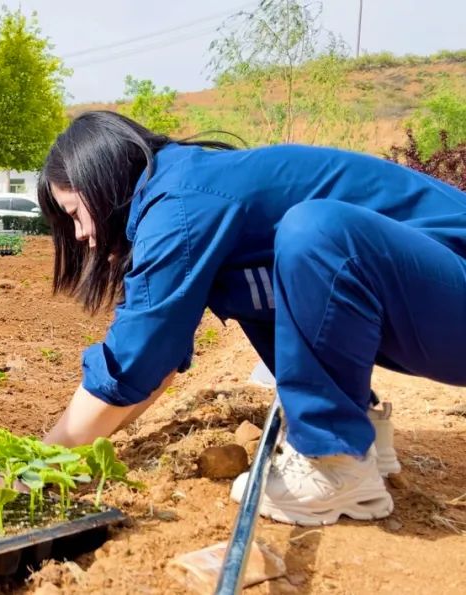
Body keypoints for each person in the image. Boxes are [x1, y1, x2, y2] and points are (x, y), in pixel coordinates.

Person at [37, 110, 466, 526]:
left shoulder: (180, 203)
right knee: (253, 286)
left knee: (315, 230)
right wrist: (71, 457)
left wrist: (37, 465)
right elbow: (155, 364)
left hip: (454, 279)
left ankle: (334, 462)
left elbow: (134, 357)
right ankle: (360, 431)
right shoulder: (188, 193)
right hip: (438, 302)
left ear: (102, 180)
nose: (78, 235)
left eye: (75, 213)